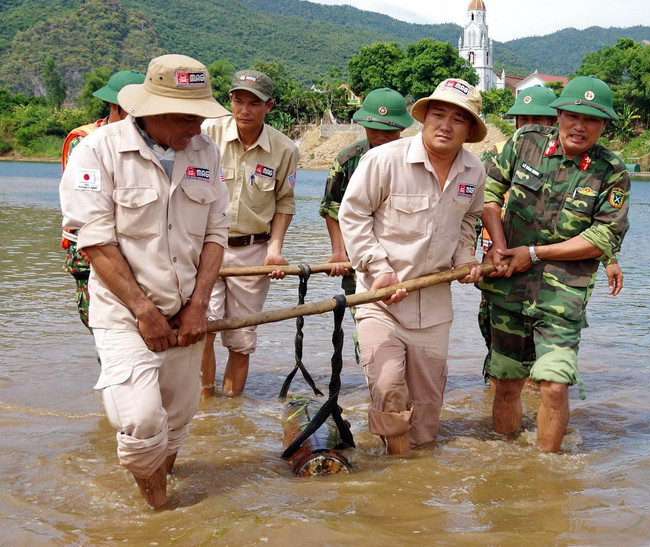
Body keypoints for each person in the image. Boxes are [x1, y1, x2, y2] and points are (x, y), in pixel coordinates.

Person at [59, 54, 231, 508]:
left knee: (177, 416)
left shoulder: (206, 152)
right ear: (153, 109)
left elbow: (216, 233)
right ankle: (159, 512)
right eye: (187, 116)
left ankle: (162, 484)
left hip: (186, 312)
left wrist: (198, 306)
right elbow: (95, 241)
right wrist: (143, 310)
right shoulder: (97, 151)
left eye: (200, 115)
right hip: (124, 314)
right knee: (140, 420)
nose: (197, 126)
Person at [479, 76, 630, 453]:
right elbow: (489, 192)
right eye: (573, 116)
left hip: (562, 296)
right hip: (507, 286)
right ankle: (506, 464)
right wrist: (498, 245)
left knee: (554, 385)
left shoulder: (611, 171)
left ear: (604, 125)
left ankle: (547, 467)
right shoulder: (524, 142)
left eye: (591, 119)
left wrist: (534, 253)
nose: (580, 126)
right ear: (559, 115)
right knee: (506, 383)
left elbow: (604, 236)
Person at [339, 78, 487, 455]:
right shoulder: (384, 160)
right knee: (388, 386)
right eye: (438, 114)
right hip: (381, 301)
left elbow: (469, 219)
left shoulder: (474, 171)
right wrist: (379, 269)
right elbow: (353, 214)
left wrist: (465, 257)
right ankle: (395, 468)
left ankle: (414, 470)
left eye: (458, 119)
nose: (446, 125)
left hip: (434, 307)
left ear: (470, 130)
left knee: (426, 410)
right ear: (424, 117)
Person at [199, 70, 299, 399]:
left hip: (253, 251)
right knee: (202, 329)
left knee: (241, 339)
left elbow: (285, 201)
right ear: (230, 100)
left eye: (254, 104)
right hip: (204, 246)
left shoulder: (284, 149)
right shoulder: (205, 134)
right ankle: (206, 409)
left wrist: (275, 250)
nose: (244, 110)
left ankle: (232, 406)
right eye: (238, 101)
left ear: (269, 106)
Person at [320, 87, 414, 361]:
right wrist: (339, 252)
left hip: (405, 260)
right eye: (374, 129)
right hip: (360, 260)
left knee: (413, 332)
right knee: (367, 331)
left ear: (402, 128)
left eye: (389, 130)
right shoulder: (348, 160)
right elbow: (332, 208)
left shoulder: (415, 159)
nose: (381, 136)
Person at [60, 70, 146, 330]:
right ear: (114, 106)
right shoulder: (86, 142)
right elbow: (88, 207)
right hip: (92, 251)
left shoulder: (146, 140)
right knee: (102, 326)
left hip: (136, 249)